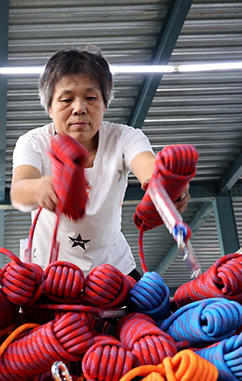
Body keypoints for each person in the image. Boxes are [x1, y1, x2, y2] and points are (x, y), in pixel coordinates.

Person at [10, 46, 189, 281]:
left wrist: (167, 187)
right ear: (50, 108)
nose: (79, 108)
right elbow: (19, 192)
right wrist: (42, 187)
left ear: (104, 105)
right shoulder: (33, 142)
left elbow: (149, 168)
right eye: (66, 99)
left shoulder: (125, 137)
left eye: (91, 98)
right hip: (51, 274)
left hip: (114, 271)